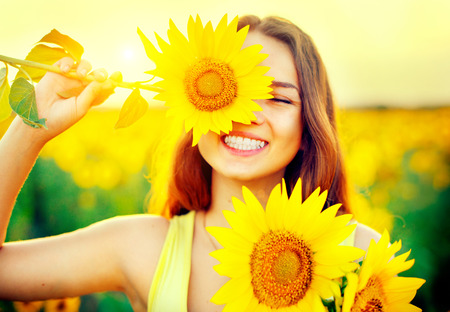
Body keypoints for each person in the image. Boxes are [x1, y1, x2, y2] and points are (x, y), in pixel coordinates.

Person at [0, 15, 381, 312]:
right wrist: (32, 126)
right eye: (227, 88)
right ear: (194, 105)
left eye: (278, 99)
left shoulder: (359, 254)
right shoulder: (141, 248)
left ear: (309, 124)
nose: (246, 114)